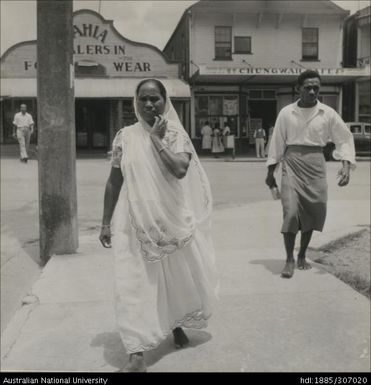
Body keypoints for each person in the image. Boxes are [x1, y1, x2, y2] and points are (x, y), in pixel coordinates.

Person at [99, 79, 218, 372]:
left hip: (170, 219)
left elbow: (179, 169)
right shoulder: (124, 137)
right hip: (133, 221)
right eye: (143, 99)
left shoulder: (176, 134)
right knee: (133, 282)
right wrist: (104, 222)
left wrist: (156, 140)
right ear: (135, 102)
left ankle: (175, 324)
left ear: (165, 101)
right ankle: (136, 352)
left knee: (174, 277)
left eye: (155, 99)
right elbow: (115, 181)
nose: (149, 105)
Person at [265, 70, 356, 279]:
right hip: (292, 163)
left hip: (316, 164)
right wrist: (270, 173)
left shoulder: (328, 113)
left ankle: (302, 255)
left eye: (316, 87)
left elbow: (343, 138)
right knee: (290, 212)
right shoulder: (287, 113)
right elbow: (277, 143)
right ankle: (289, 259)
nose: (312, 91)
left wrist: (346, 165)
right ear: (299, 89)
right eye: (308, 87)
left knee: (313, 211)